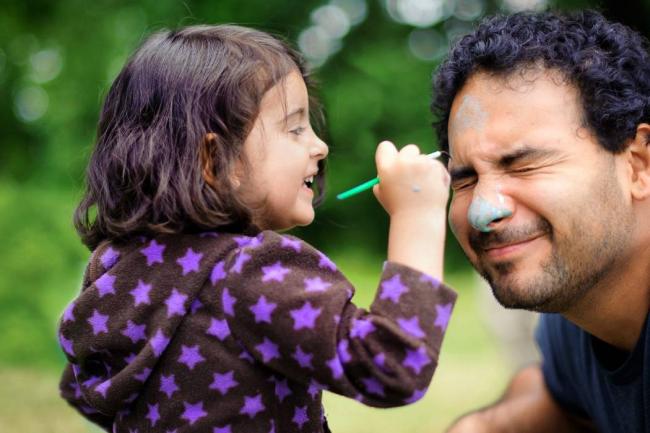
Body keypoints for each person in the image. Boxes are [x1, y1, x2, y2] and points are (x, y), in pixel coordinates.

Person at [57, 24, 456, 433]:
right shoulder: (249, 273)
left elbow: (84, 390)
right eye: (295, 127)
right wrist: (416, 215)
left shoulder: (112, 267)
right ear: (214, 160)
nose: (320, 146)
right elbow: (393, 365)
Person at [431, 10, 650, 433]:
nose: (483, 209)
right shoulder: (581, 306)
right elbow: (555, 397)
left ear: (638, 166)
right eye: (465, 179)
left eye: (524, 165)